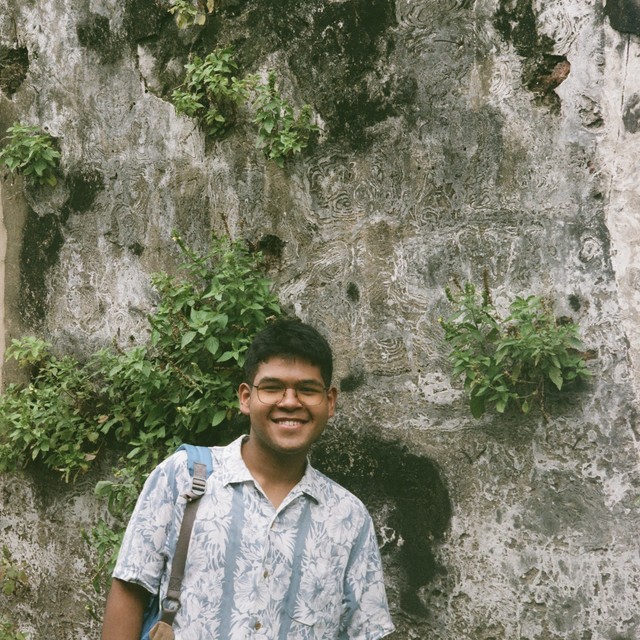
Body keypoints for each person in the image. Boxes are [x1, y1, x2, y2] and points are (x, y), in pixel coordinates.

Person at [102, 319, 395, 639]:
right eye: (272, 387)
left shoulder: (349, 518)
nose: (290, 401)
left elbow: (364, 631)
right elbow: (130, 588)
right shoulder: (183, 478)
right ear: (245, 397)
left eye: (307, 389)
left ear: (330, 401)